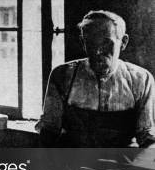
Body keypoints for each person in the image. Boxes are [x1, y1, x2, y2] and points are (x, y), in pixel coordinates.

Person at [38, 10, 155, 148]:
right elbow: (49, 131)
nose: (98, 51)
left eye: (107, 43)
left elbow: (147, 136)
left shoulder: (141, 79)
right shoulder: (62, 75)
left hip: (122, 163)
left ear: (123, 42)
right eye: (91, 43)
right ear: (83, 42)